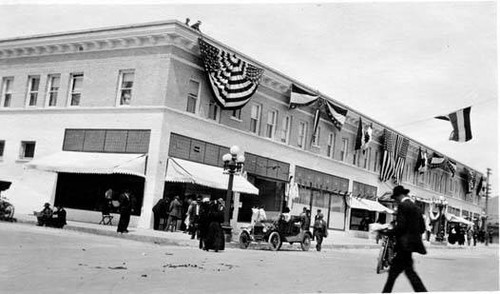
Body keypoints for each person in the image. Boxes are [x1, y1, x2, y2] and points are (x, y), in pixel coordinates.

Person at [382, 185, 427, 293]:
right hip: (410, 246)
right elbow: (422, 228)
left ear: (400, 196)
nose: (396, 200)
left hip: (403, 246)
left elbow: (401, 227)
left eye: (396, 198)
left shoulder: (402, 206)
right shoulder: (416, 207)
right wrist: (412, 235)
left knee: (396, 274)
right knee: (406, 273)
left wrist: (387, 232)